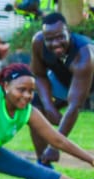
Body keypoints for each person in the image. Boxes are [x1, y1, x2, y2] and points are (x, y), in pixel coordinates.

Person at [28, 13, 93, 166]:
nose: (55, 43)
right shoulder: (38, 43)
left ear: (68, 33)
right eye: (49, 39)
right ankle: (43, 165)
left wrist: (55, 145)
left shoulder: (84, 54)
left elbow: (74, 105)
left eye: (60, 37)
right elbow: (39, 75)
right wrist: (49, 107)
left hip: (87, 83)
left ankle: (50, 151)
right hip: (64, 80)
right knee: (35, 107)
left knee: (72, 105)